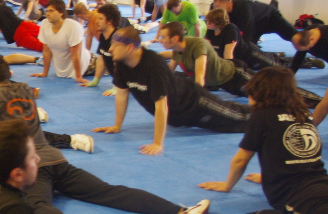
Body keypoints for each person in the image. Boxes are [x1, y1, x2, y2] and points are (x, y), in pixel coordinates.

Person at [0, 55, 207, 214]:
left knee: (37, 203)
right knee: (110, 192)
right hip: (57, 159)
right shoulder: (25, 89)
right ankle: (183, 212)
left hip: (32, 166)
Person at [199, 66, 328, 214]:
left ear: (260, 93)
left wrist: (227, 185)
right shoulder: (303, 113)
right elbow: (295, 155)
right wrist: (269, 175)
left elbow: (241, 160)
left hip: (292, 195)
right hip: (321, 180)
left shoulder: (262, 116)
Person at [93, 27, 253, 155]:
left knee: (238, 118)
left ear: (129, 47)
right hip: (179, 117)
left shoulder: (153, 65)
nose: (110, 49)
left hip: (195, 102)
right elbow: (122, 94)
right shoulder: (122, 64)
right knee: (220, 126)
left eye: (115, 45)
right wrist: (117, 125)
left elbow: (161, 105)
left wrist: (157, 143)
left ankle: (264, 113)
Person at [159, 22, 321, 107]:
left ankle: (320, 101)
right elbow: (169, 71)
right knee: (269, 99)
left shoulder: (197, 45)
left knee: (275, 89)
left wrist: (196, 100)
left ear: (174, 39)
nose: (160, 40)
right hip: (227, 84)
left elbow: (200, 78)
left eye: (163, 37)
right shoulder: (178, 50)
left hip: (235, 73)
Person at [204, 8, 321, 71]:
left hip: (251, 55)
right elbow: (208, 49)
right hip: (241, 60)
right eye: (207, 21)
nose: (207, 23)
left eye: (211, 21)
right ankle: (275, 54)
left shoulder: (230, 29)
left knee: (278, 64)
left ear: (219, 22)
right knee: (272, 59)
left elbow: (228, 54)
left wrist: (227, 71)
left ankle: (309, 62)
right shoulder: (210, 30)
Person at [32, 0, 93, 82]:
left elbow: (75, 54)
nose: (47, 14)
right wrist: (44, 73)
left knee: (106, 63)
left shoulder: (73, 26)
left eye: (51, 11)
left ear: (61, 13)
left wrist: (78, 77)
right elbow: (46, 51)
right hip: (62, 70)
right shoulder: (45, 23)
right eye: (47, 11)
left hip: (88, 64)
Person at [211, 0, 296, 45]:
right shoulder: (227, 13)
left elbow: (248, 29)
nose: (216, 9)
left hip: (271, 18)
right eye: (215, 7)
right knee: (252, 47)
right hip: (258, 24)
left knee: (295, 37)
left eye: (218, 7)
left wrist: (245, 48)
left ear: (227, 3)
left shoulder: (244, 8)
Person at [79, 3, 120, 89]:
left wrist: (118, 86)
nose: (97, 21)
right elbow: (102, 58)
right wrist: (95, 81)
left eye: (100, 19)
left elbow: (122, 66)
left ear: (110, 21)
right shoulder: (103, 36)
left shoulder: (119, 38)